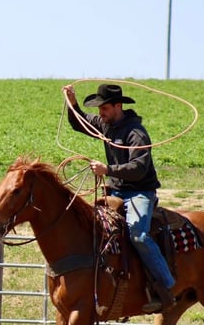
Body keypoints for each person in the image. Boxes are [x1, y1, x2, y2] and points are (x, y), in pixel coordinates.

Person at [62, 83, 176, 313]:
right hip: (115, 191)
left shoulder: (135, 133)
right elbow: (80, 122)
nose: (100, 113)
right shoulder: (107, 125)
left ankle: (166, 286)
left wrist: (108, 170)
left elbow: (139, 168)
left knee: (139, 234)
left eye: (104, 108)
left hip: (139, 191)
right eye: (99, 109)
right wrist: (71, 102)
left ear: (117, 106)